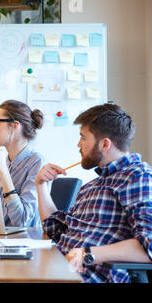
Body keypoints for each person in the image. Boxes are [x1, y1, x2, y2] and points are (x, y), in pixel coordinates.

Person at [34, 103, 152, 283]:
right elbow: (54, 229)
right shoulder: (92, 186)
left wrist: (87, 254)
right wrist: (41, 185)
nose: (78, 145)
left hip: (88, 276)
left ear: (104, 144)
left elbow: (149, 245)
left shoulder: (138, 177)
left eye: (83, 138)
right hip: (59, 268)